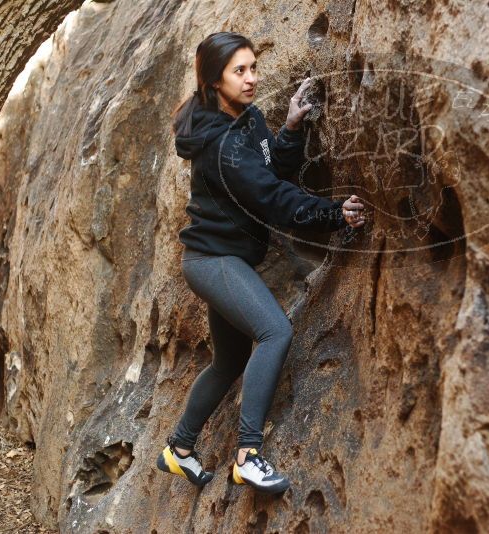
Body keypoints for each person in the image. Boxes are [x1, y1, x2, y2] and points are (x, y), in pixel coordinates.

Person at [155, 31, 365, 494]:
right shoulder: (219, 144)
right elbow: (271, 198)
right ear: (214, 82)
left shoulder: (246, 118)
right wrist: (334, 212)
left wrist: (288, 128)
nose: (252, 79)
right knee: (275, 331)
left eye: (253, 67)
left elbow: (268, 172)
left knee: (229, 360)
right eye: (240, 71)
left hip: (225, 258)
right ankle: (248, 456)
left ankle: (179, 450)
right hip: (213, 260)